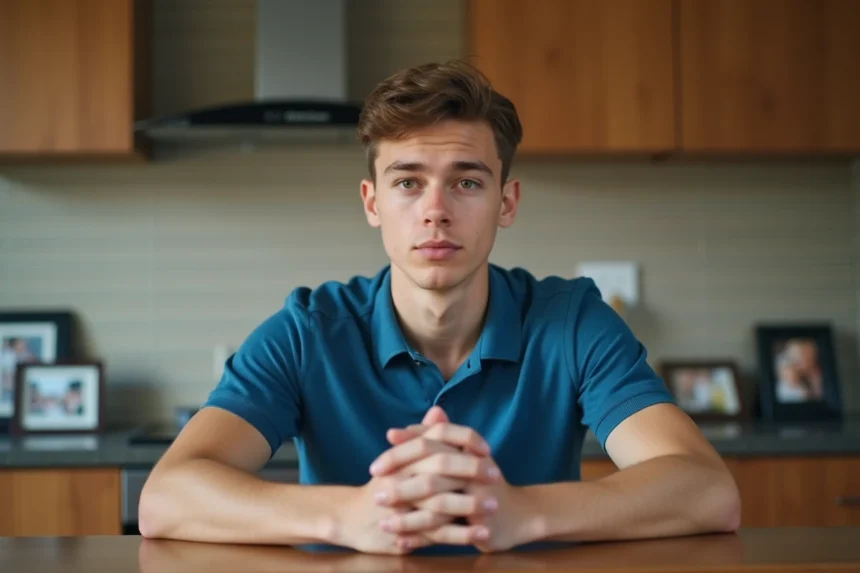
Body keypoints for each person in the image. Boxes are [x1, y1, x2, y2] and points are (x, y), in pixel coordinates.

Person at [138, 60, 741, 555]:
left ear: (507, 202)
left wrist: (521, 513)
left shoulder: (572, 321)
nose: (435, 210)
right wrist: (348, 516)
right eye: (407, 182)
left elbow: (706, 489)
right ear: (372, 202)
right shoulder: (307, 331)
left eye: (467, 181)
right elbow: (165, 497)